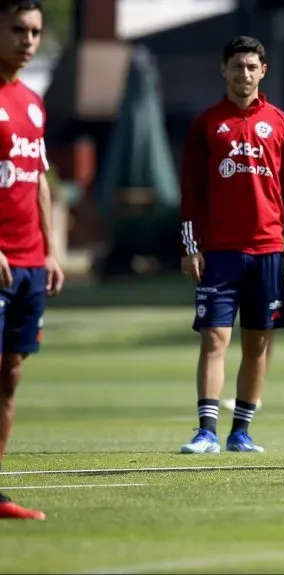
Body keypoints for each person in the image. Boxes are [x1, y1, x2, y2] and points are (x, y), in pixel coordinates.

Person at [178, 36, 284, 454]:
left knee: (258, 344)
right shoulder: (206, 123)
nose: (244, 74)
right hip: (218, 253)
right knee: (215, 339)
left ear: (263, 71)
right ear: (224, 70)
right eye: (237, 66)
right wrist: (190, 246)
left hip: (269, 251)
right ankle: (206, 431)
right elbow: (191, 191)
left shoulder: (282, 123)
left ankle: (241, 432)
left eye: (251, 67)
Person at [0, 0, 62, 521]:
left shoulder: (33, 102)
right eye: (18, 29)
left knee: (11, 374)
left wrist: (51, 250)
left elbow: (38, 177)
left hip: (29, 262)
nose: (28, 40)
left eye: (35, 32)